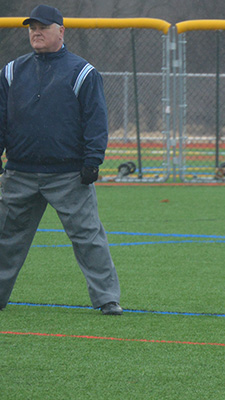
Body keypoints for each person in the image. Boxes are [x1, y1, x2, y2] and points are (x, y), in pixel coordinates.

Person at [0, 5, 122, 315]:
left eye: (43, 27)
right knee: (5, 238)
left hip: (68, 174)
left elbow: (96, 119)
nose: (36, 32)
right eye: (32, 28)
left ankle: (107, 299)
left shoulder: (83, 72)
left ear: (61, 31)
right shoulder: (12, 71)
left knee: (88, 238)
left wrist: (93, 160)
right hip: (20, 173)